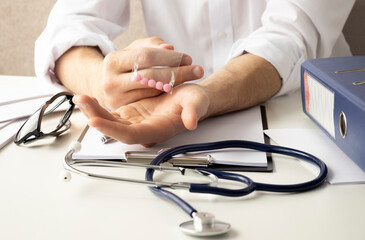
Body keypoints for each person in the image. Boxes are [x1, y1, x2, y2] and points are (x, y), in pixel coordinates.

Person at [35, 0, 355, 146]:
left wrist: (207, 94)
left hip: (314, 119)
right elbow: (68, 26)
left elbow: (292, 35)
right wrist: (101, 82)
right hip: (171, 127)